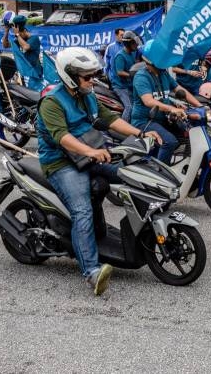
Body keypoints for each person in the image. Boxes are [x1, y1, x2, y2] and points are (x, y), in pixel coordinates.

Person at [36, 46, 161, 296]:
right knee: (81, 209)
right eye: (87, 76)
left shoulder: (88, 95)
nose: (93, 80)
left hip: (89, 154)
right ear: (71, 76)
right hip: (62, 163)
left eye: (94, 75)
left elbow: (110, 119)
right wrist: (91, 152)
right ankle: (92, 272)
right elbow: (62, 138)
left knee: (131, 173)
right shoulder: (51, 102)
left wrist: (141, 133)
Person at [130, 40, 201, 163]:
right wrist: (172, 108)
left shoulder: (163, 74)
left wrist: (200, 106)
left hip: (163, 119)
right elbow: (148, 101)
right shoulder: (141, 77)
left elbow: (180, 89)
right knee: (169, 141)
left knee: (190, 133)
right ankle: (160, 174)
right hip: (145, 121)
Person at [2, 14, 43, 85]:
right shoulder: (20, 40)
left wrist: (17, 35)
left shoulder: (34, 39)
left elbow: (26, 47)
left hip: (34, 74)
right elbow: (5, 45)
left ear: (24, 31)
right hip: (24, 74)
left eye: (20, 34)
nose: (18, 37)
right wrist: (6, 32)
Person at [109, 31, 141, 114]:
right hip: (121, 86)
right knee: (129, 107)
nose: (136, 45)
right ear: (128, 44)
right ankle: (123, 125)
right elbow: (120, 72)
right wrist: (131, 75)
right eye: (133, 44)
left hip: (130, 84)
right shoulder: (120, 56)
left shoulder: (133, 53)